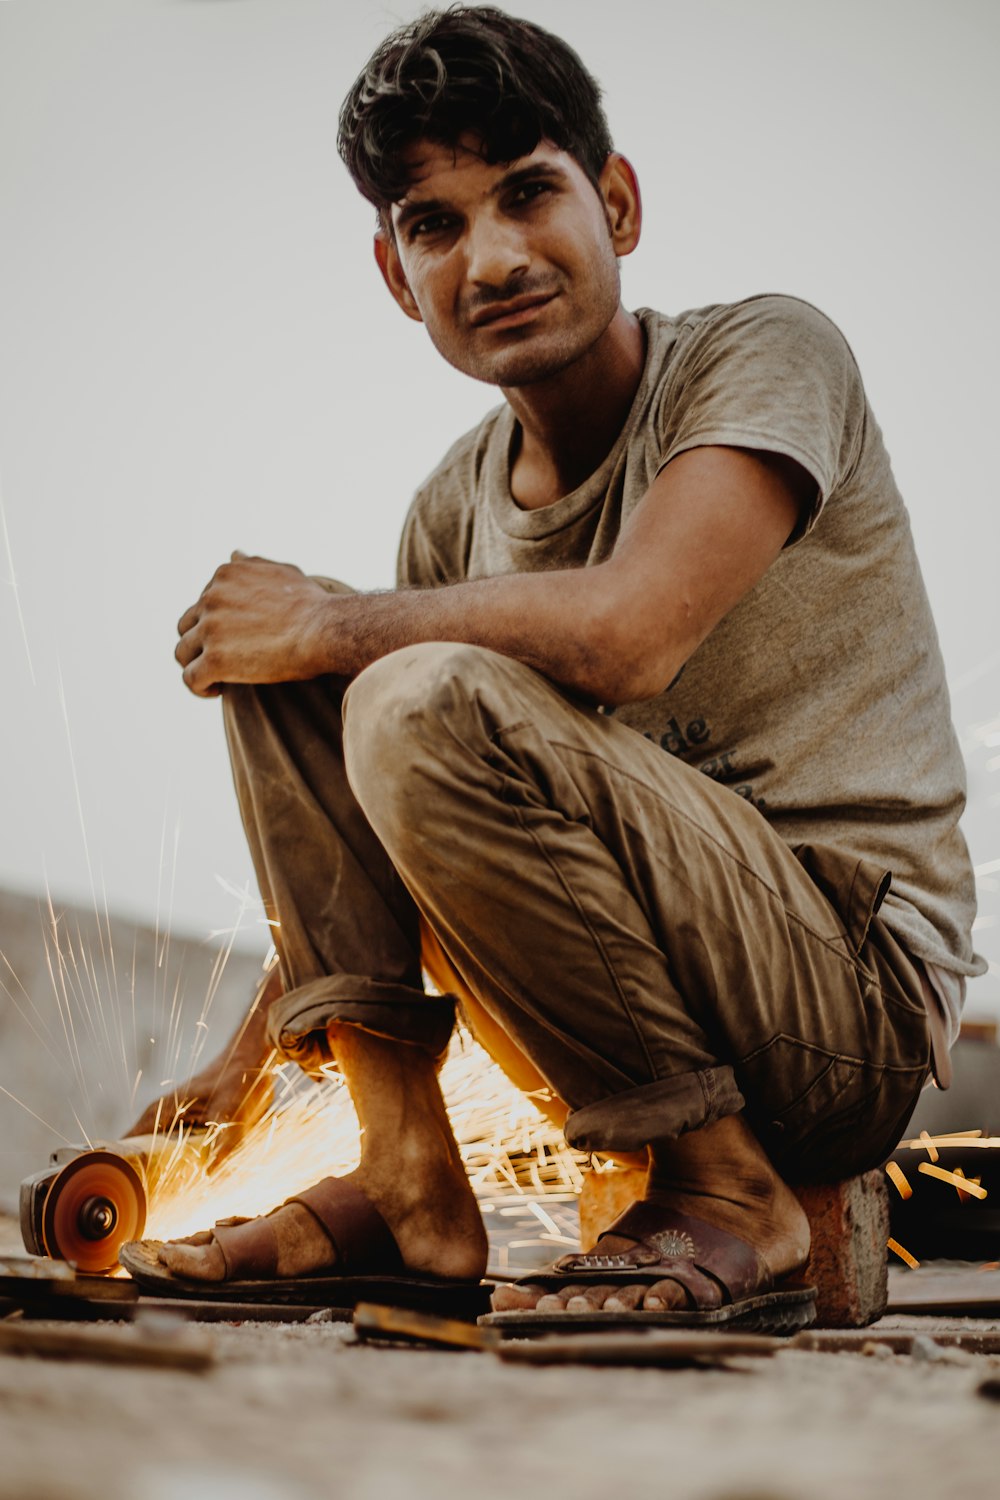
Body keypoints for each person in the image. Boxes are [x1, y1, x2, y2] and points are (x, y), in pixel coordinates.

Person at [130, 5, 983, 1326]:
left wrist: (342, 625)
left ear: (620, 205)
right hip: (607, 1011)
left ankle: (729, 1188)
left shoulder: (765, 356)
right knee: (295, 666)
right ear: (393, 273)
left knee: (372, 659)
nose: (496, 256)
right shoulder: (450, 509)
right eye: (437, 225)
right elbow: (421, 809)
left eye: (530, 194)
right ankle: (405, 1174)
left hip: (841, 1012)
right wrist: (246, 1068)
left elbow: (632, 633)